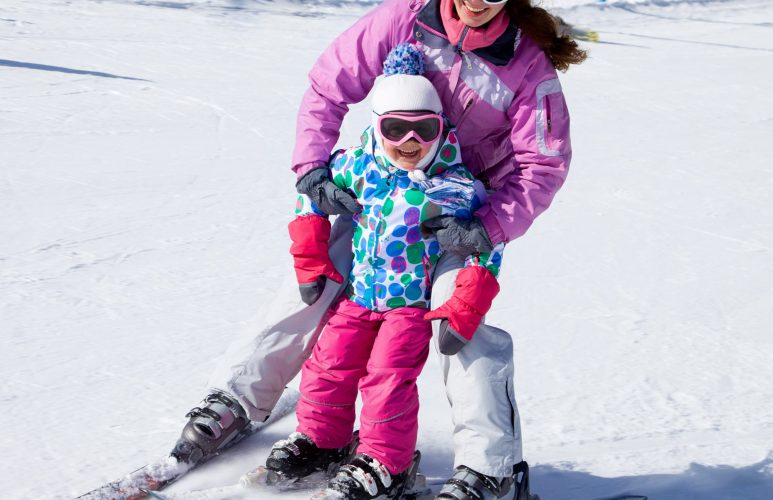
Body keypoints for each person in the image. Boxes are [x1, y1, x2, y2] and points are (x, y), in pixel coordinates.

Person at [172, 1, 585, 498]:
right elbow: (329, 85)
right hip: (380, 195)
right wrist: (312, 168)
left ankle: (490, 469)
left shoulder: (525, 64)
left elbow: (542, 164)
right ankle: (239, 397)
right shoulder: (405, 19)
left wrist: (489, 225)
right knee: (315, 282)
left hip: (459, 215)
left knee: (463, 323)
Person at [263, 44, 505, 499]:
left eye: (424, 129)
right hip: (358, 297)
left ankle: (385, 462)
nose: (409, 143)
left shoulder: (452, 185)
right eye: (395, 129)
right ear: (377, 125)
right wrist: (310, 251)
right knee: (327, 366)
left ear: (441, 128)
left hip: (409, 308)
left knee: (387, 379)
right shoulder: (358, 165)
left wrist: (467, 301)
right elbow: (309, 193)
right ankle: (323, 440)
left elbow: (486, 245)